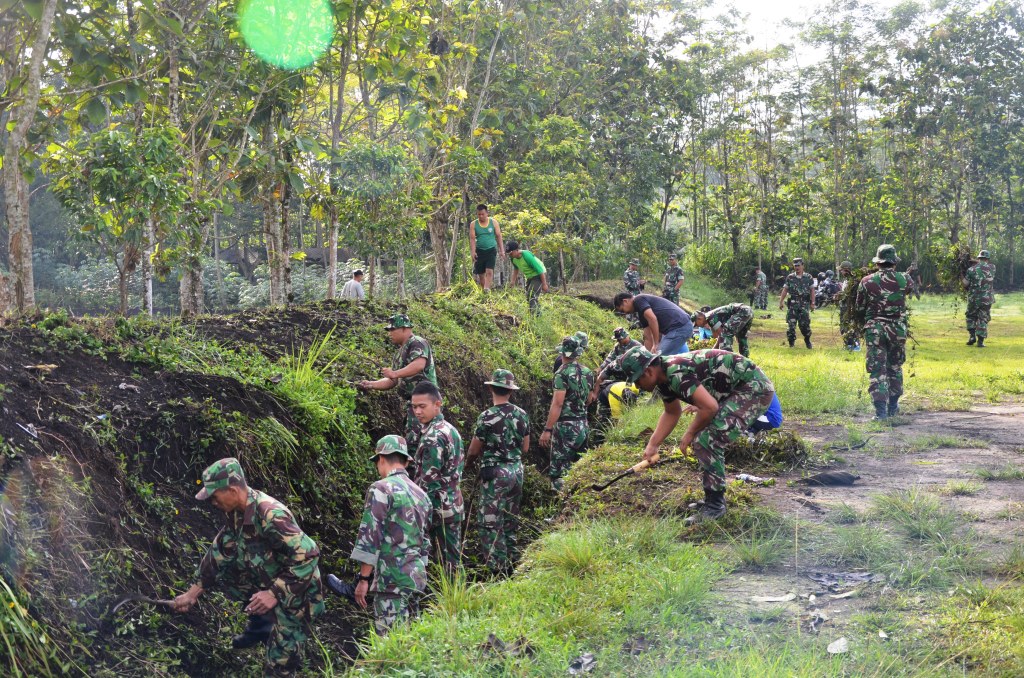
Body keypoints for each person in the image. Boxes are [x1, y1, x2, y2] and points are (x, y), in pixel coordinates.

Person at [171, 458, 324, 676]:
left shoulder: (271, 515)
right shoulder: (235, 512)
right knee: (230, 574)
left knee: (279, 665)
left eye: (215, 496)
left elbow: (309, 555)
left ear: (232, 490)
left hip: (298, 595)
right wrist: (192, 594)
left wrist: (273, 594)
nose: (212, 502)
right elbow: (220, 551)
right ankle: (262, 624)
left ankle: (279, 639)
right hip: (270, 577)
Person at [616, 347, 775, 524]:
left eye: (638, 380)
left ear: (648, 371)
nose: (637, 386)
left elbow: (710, 407)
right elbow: (671, 412)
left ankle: (715, 505)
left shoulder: (675, 373)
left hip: (753, 389)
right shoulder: (663, 377)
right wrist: (653, 445)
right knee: (704, 437)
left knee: (707, 440)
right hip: (732, 390)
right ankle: (712, 499)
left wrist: (689, 433)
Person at [330, 435, 431, 636]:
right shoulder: (421, 494)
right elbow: (424, 541)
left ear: (382, 459)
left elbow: (370, 537)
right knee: (411, 640)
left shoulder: (381, 488)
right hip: (416, 578)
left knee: (391, 643)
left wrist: (362, 579)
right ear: (406, 461)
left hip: (391, 581)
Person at [466, 369, 530, 576]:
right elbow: (526, 448)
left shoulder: (486, 417)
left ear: (492, 388)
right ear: (511, 391)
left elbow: (474, 450)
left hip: (495, 474)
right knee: (510, 520)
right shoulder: (522, 414)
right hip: (517, 471)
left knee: (489, 523)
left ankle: (497, 571)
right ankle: (513, 563)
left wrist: (467, 464)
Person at [359, 314, 437, 450]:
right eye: (389, 330)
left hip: (426, 400)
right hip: (413, 403)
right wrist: (371, 384)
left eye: (392, 330)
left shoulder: (417, 342)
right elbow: (393, 381)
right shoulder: (399, 353)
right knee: (413, 441)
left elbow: (418, 365)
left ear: (404, 329)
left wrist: (394, 373)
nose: (390, 334)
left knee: (423, 441)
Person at [409, 382, 464, 574]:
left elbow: (429, 483)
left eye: (422, 406)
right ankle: (454, 600)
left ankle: (453, 602)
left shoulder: (433, 437)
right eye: (414, 407)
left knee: (446, 565)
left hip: (438, 510)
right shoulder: (450, 430)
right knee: (451, 561)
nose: (417, 412)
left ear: (437, 404)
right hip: (452, 504)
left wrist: (422, 516)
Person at [855, 244, 914, 420]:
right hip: (897, 329)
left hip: (875, 330)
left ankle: (880, 412)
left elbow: (859, 307)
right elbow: (907, 292)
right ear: (894, 262)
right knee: (895, 366)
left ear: (878, 262)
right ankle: (893, 407)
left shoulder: (866, 281)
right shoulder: (905, 279)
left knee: (877, 369)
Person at [540, 335, 595, 490]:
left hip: (565, 427)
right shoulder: (588, 372)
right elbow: (589, 399)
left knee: (560, 470)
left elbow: (557, 403)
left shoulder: (561, 373)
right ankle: (576, 500)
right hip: (583, 424)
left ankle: (559, 505)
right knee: (579, 466)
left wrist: (547, 429)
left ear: (562, 353)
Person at [613, 292, 693, 356]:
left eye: (623, 310)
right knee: (654, 359)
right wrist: (647, 356)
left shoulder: (638, 299)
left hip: (679, 327)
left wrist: (655, 344)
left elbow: (652, 319)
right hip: (675, 329)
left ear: (625, 301)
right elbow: (648, 337)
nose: (625, 313)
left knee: (658, 359)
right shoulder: (641, 313)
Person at [589, 327, 642, 415]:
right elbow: (609, 359)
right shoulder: (617, 348)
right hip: (618, 379)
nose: (619, 341)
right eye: (617, 340)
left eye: (620, 339)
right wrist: (601, 368)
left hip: (633, 378)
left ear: (626, 337)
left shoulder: (637, 346)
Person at [779, 257, 815, 349]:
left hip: (804, 304)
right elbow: (785, 289)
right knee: (791, 325)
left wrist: (812, 303)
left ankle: (807, 340)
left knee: (805, 326)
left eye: (798, 265)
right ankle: (791, 343)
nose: (797, 267)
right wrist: (781, 301)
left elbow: (812, 290)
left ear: (803, 265)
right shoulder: (790, 277)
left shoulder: (808, 277)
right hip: (792, 305)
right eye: (795, 266)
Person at [506, 240, 549, 315]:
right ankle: (537, 313)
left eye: (511, 253)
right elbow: (516, 269)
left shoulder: (526, 256)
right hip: (530, 276)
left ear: (516, 250)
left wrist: (544, 284)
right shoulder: (513, 258)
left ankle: (536, 316)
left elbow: (540, 270)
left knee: (531, 295)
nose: (510, 255)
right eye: (508, 254)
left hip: (538, 275)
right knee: (529, 296)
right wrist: (512, 281)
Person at [964, 249, 995, 347]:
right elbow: (984, 266)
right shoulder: (992, 268)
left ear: (979, 258)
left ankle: (972, 336)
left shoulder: (971, 269)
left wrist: (962, 275)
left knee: (971, 316)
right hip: (986, 298)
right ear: (988, 259)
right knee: (983, 317)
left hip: (974, 298)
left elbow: (965, 284)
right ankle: (980, 342)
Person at [470, 204, 503, 292]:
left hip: (491, 249)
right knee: (481, 274)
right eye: (479, 214)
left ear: (487, 213)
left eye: (482, 214)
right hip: (480, 251)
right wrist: (473, 252)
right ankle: (484, 292)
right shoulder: (473, 224)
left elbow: (499, 236)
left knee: (489, 271)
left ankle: (487, 288)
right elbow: (472, 239)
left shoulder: (493, 222)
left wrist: (502, 250)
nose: (481, 216)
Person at [837, 260, 860, 351]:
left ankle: (854, 345)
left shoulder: (854, 281)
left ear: (846, 270)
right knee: (844, 327)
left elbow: (852, 295)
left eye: (842, 270)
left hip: (849, 308)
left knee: (849, 326)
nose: (841, 272)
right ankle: (848, 345)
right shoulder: (846, 280)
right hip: (844, 307)